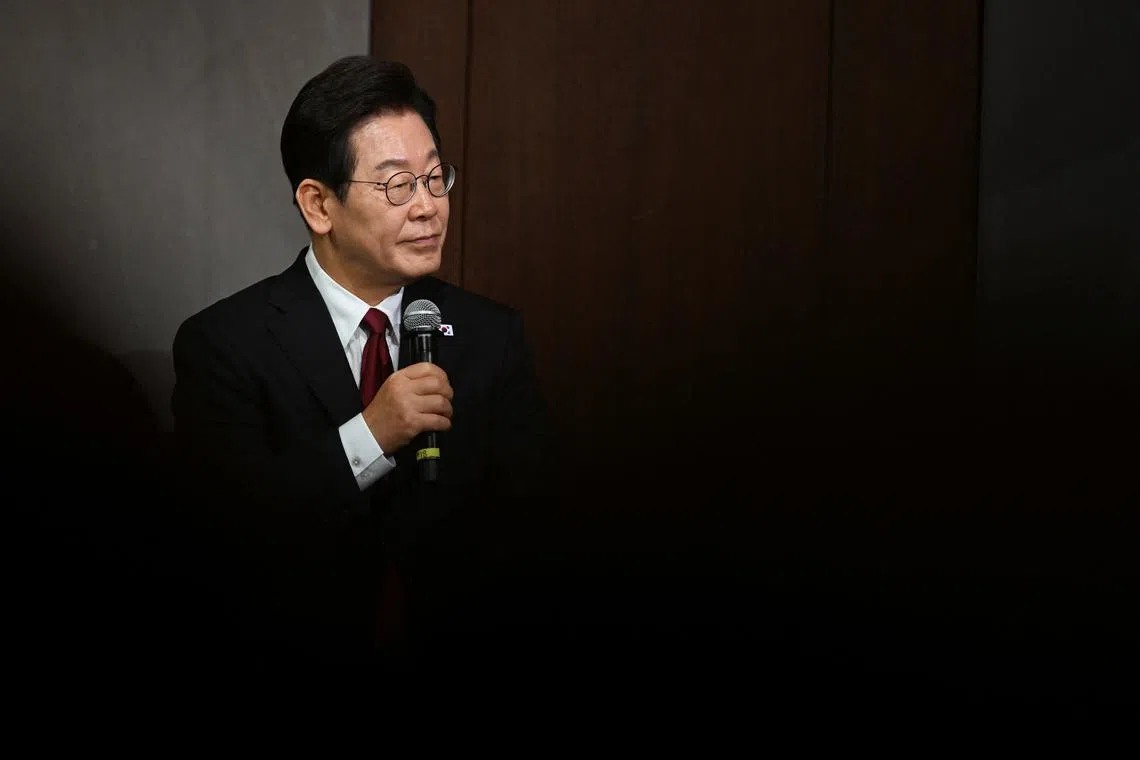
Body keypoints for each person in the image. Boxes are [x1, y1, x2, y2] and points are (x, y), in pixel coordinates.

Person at [171, 56, 548, 667]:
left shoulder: (491, 334)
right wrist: (371, 435)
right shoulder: (224, 344)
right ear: (319, 205)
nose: (428, 207)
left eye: (434, 178)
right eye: (398, 185)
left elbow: (531, 527)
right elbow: (230, 534)